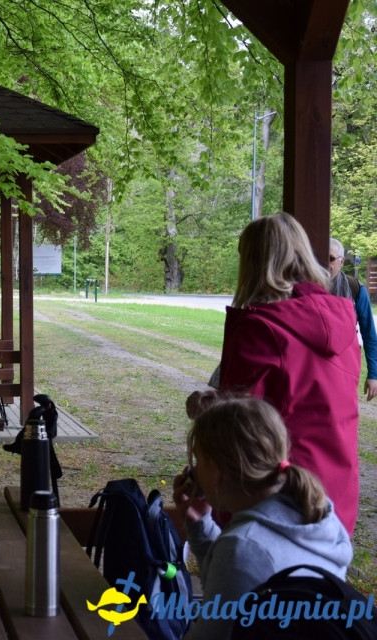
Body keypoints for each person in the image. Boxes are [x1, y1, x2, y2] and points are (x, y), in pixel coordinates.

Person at [186, 213, 360, 535]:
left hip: (276, 499)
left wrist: (205, 409)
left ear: (252, 263)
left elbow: (236, 428)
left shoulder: (260, 328)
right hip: (333, 500)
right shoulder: (343, 322)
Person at [173, 395, 352, 640]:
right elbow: (230, 586)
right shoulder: (317, 513)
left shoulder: (243, 547)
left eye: (198, 460)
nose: (194, 470)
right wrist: (199, 524)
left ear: (216, 471)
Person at [329, 237, 377, 401]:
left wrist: (373, 374)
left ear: (341, 261)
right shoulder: (306, 286)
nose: (325, 263)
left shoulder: (355, 289)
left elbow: (369, 334)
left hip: (345, 365)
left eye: (331, 258)